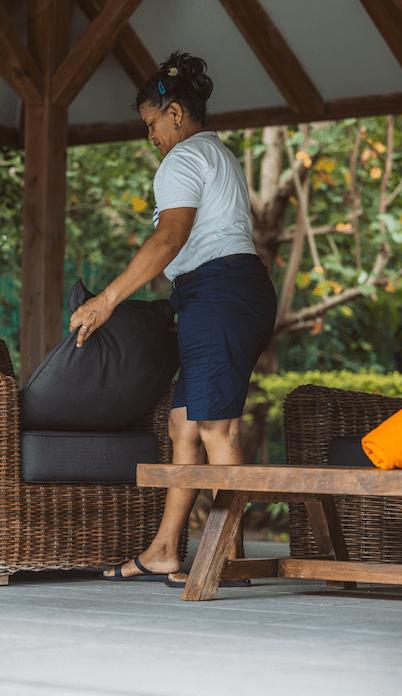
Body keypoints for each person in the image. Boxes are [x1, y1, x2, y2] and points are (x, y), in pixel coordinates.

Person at [69, 51, 277, 586]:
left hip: (220, 291)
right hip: (221, 291)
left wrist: (107, 299)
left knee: (215, 427)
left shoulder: (183, 160)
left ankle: (224, 559)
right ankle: (165, 549)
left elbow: (170, 237)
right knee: (183, 424)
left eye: (152, 123)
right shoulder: (218, 154)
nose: (151, 136)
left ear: (177, 114)